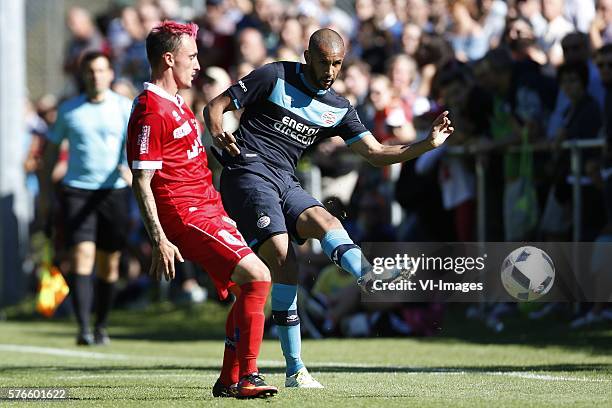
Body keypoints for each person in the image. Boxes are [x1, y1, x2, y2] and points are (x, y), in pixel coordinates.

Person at [204, 28, 453, 388]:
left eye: (337, 63)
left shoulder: (338, 107)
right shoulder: (274, 75)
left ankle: (300, 363)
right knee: (280, 251)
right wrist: (219, 133)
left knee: (324, 220)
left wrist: (426, 143)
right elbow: (215, 106)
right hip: (247, 171)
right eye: (325, 62)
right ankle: (268, 366)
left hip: (285, 179)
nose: (331, 70)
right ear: (308, 57)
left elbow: (376, 153)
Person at [126, 21, 277, 399]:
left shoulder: (175, 101)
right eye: (191, 56)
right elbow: (142, 181)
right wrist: (159, 239)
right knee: (258, 276)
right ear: (168, 59)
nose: (197, 64)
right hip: (186, 215)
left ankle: (228, 380)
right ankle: (249, 377)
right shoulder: (149, 109)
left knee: (250, 289)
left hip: (209, 208)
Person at [40, 52, 132, 346]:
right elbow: (52, 150)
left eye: (102, 70)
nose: (96, 76)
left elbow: (138, 144)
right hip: (77, 190)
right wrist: (46, 189)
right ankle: (82, 328)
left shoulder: (124, 107)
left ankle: (101, 324)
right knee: (82, 257)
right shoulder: (69, 110)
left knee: (109, 264)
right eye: (91, 71)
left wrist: (133, 172)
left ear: (110, 74)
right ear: (83, 75)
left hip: (114, 191)